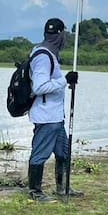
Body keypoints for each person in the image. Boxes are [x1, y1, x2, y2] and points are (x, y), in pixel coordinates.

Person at [26, 17, 81, 201]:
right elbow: (39, 87)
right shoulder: (43, 56)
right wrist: (65, 80)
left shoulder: (50, 54)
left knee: (63, 152)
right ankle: (35, 191)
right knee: (40, 153)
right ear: (61, 36)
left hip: (56, 116)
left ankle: (62, 187)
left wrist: (66, 81)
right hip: (46, 117)